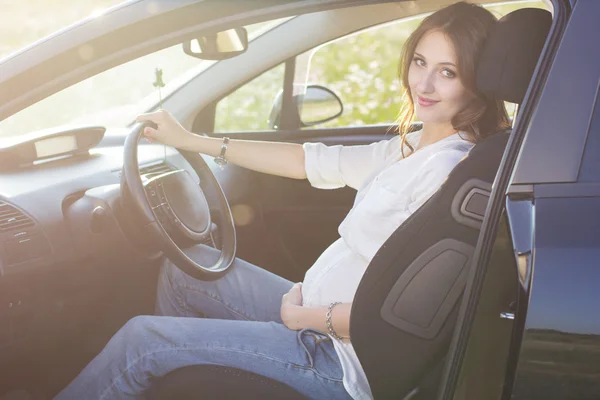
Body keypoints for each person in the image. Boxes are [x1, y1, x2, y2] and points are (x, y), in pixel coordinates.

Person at [55, 2, 510, 399]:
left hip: (336, 357)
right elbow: (306, 160)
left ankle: (161, 367)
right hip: (312, 314)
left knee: (143, 341)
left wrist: (307, 318)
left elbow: (399, 314)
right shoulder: (411, 146)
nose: (424, 84)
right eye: (419, 62)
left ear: (476, 82)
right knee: (184, 270)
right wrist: (193, 140)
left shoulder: (448, 171)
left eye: (447, 73)